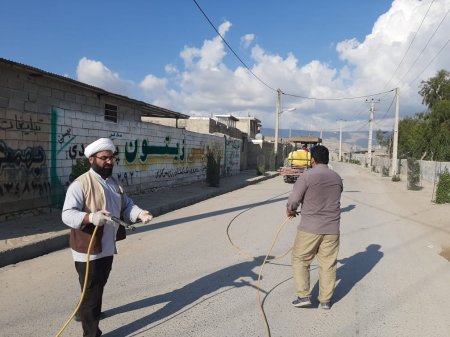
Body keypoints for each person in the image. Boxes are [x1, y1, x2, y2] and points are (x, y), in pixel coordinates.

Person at [62, 138, 153, 337]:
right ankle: (91, 333)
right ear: (91, 160)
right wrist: (90, 217)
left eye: (112, 158)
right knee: (93, 293)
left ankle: (83, 311)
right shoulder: (80, 184)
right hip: (88, 249)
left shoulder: (113, 183)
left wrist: (139, 213)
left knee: (96, 287)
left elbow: (125, 205)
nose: (109, 162)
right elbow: (67, 214)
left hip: (106, 247)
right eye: (104, 158)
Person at [286, 145, 343, 310]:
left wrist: (290, 210)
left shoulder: (307, 176)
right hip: (332, 229)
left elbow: (294, 200)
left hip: (309, 228)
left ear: (313, 159)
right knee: (328, 264)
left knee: (300, 259)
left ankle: (303, 296)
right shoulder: (337, 178)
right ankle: (325, 300)